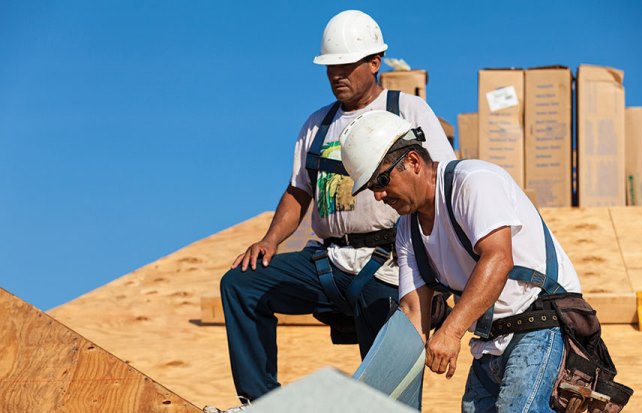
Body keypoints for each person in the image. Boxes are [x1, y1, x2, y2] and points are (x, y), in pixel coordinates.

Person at [216, 10, 455, 410]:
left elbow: (439, 186)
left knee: (383, 379)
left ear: (374, 63)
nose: (336, 75)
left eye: (345, 65)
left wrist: (438, 271)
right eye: (330, 67)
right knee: (242, 284)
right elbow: (298, 191)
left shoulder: (407, 112)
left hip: (389, 263)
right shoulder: (317, 125)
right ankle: (258, 403)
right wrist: (270, 240)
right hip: (326, 262)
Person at [339, 110, 582, 412]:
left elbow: (498, 257)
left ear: (413, 162)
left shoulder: (473, 182)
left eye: (382, 180)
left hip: (541, 325)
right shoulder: (407, 231)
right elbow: (414, 312)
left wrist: (451, 332)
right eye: (372, 187)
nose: (379, 195)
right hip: (488, 344)